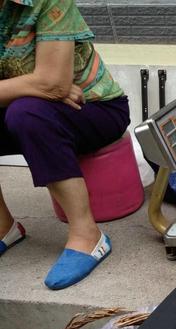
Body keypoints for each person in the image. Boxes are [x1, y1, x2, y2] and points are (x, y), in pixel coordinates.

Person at [0, 0, 130, 289]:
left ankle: (88, 235)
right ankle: (3, 227)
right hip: (32, 103)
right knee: (28, 105)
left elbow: (53, 84)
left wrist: (45, 86)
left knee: (28, 112)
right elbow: (50, 85)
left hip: (96, 107)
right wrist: (38, 85)